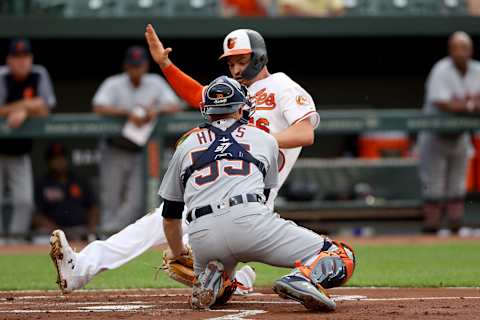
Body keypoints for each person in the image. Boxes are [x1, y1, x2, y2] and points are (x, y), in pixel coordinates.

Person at [48, 25, 318, 294]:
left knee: (194, 251)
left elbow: (305, 132)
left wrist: (252, 141)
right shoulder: (232, 92)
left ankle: (234, 281)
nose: (235, 68)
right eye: (231, 62)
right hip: (213, 188)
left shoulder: (281, 85)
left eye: (242, 60)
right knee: (156, 224)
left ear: (259, 57)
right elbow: (197, 95)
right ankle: (80, 269)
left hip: (252, 199)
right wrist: (165, 64)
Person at [160, 76, 355, 311]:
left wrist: (178, 251)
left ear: (206, 110)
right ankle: (302, 278)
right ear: (242, 107)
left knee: (221, 282)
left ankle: (217, 279)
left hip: (202, 236)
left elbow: (170, 215)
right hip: (250, 221)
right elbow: (262, 197)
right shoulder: (265, 139)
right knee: (341, 254)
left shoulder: (185, 144)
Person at [92, 45, 182, 234]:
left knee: (136, 200)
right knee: (110, 199)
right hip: (115, 148)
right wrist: (127, 113)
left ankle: (114, 236)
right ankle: (107, 238)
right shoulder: (113, 83)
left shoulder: (155, 82)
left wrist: (155, 110)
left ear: (145, 66)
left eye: (139, 65)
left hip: (140, 152)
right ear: (126, 66)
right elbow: (98, 107)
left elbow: (175, 105)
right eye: (132, 66)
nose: (136, 69)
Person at [418, 31, 480, 234]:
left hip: (459, 135)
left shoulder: (477, 70)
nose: (460, 52)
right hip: (435, 135)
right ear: (450, 51)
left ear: (471, 50)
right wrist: (471, 106)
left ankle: (455, 227)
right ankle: (431, 229)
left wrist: (464, 105)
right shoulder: (441, 69)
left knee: (458, 184)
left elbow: (458, 105)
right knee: (433, 185)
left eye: (464, 48)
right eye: (455, 48)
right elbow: (443, 103)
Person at [0, 38, 56, 241]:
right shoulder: (2, 76)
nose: (22, 61)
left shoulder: (38, 74)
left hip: (19, 152)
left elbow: (46, 108)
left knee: (24, 201)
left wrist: (24, 111)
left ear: (31, 58)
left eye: (25, 57)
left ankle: (13, 244)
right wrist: (26, 105)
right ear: (9, 60)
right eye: (16, 57)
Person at [33, 143, 99, 240]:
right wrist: (59, 233)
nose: (60, 162)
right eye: (55, 159)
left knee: (95, 239)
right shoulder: (42, 184)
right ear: (49, 162)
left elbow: (93, 208)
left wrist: (90, 229)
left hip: (80, 229)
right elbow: (36, 216)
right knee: (39, 240)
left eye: (62, 158)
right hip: (52, 232)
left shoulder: (79, 180)